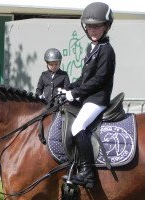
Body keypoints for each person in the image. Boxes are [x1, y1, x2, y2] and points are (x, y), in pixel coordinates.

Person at [62, 2, 115, 188]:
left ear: (106, 26)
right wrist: (68, 89)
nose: (92, 30)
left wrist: (75, 93)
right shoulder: (92, 47)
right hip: (88, 97)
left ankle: (87, 174)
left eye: (97, 26)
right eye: (90, 26)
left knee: (78, 127)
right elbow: (85, 78)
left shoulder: (106, 51)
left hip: (98, 99)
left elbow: (99, 80)